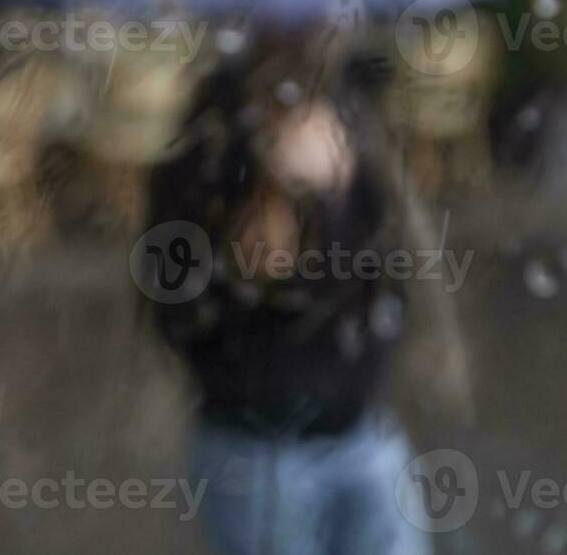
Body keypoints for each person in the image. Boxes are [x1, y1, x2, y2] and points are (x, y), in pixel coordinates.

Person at [145, 28, 430, 555]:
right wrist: (248, 247)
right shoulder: (213, 132)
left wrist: (335, 200)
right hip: (259, 448)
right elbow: (173, 303)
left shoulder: (350, 111)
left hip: (362, 428)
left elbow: (382, 275)